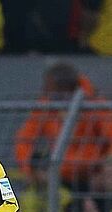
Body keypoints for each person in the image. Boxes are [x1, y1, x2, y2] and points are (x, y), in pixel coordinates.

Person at [15, 62, 112, 190]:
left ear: (64, 89)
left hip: (92, 173)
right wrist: (27, 170)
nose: (44, 92)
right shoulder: (46, 105)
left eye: (49, 88)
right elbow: (25, 139)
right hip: (58, 173)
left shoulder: (96, 104)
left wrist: (107, 166)